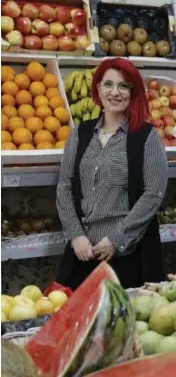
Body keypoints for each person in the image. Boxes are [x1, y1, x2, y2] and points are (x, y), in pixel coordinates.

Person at [56, 57, 168, 290]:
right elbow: (65, 186)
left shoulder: (146, 136)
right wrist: (76, 236)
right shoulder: (80, 133)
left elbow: (153, 194)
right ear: (98, 89)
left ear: (133, 92)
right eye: (108, 84)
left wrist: (116, 239)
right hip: (82, 253)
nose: (115, 92)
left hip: (127, 256)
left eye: (123, 86)